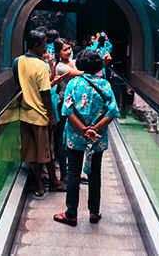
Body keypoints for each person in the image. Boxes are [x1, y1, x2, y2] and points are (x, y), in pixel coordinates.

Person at [54, 50, 120, 226]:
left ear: (80, 65)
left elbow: (66, 111)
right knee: (95, 173)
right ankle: (94, 212)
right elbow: (113, 111)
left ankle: (71, 214)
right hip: (97, 138)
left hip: (76, 135)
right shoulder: (105, 85)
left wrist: (83, 129)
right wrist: (95, 128)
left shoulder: (74, 84)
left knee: (73, 172)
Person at [13, 30, 65, 196]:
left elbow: (18, 82)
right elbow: (45, 93)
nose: (45, 49)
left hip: (25, 113)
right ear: (35, 46)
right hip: (40, 115)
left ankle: (39, 185)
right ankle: (54, 182)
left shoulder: (18, 61)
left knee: (31, 153)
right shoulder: (41, 66)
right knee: (46, 152)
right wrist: (51, 117)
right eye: (43, 46)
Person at [54, 38, 84, 182]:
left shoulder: (71, 61)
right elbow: (81, 74)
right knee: (62, 139)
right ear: (58, 52)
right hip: (65, 104)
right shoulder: (60, 67)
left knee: (74, 137)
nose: (68, 51)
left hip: (75, 104)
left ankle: (75, 172)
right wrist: (98, 65)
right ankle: (65, 174)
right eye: (65, 50)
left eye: (69, 48)